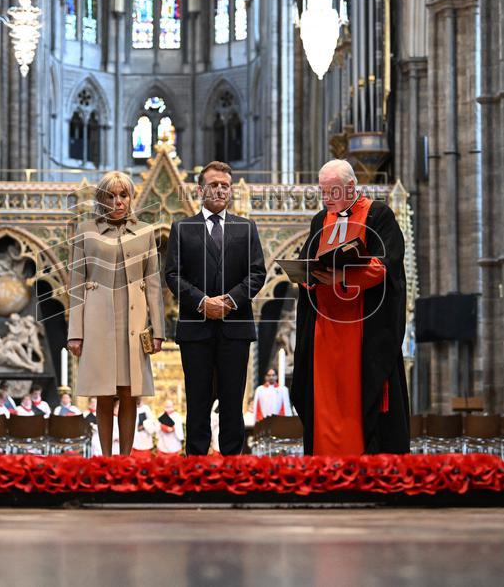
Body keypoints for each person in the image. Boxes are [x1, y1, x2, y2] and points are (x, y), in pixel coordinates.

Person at [291, 159, 410, 455]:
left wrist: (342, 275)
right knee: (323, 396)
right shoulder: (320, 220)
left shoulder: (378, 214)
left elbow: (385, 265)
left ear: (351, 186)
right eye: (323, 192)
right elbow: (307, 261)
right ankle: (323, 458)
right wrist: (307, 277)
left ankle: (361, 459)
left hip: (361, 328)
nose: (326, 198)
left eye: (332, 191)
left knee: (357, 397)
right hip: (325, 330)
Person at [164, 161, 266, 456]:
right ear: (200, 190)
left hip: (235, 329)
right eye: (214, 185)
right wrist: (201, 302)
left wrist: (230, 301)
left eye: (225, 185)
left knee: (233, 402)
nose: (220, 190)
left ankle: (233, 466)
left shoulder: (246, 228)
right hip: (195, 330)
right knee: (197, 401)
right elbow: (172, 275)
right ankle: (195, 464)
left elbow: (257, 273)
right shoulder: (182, 229)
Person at [67, 171, 165, 456]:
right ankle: (106, 458)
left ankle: (125, 457)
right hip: (97, 321)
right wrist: (76, 332)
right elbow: (75, 284)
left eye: (123, 195)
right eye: (111, 195)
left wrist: (158, 332)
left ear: (131, 198)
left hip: (133, 323)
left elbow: (155, 286)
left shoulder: (146, 232)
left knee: (129, 393)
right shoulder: (86, 231)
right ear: (101, 198)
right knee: (104, 393)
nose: (118, 201)